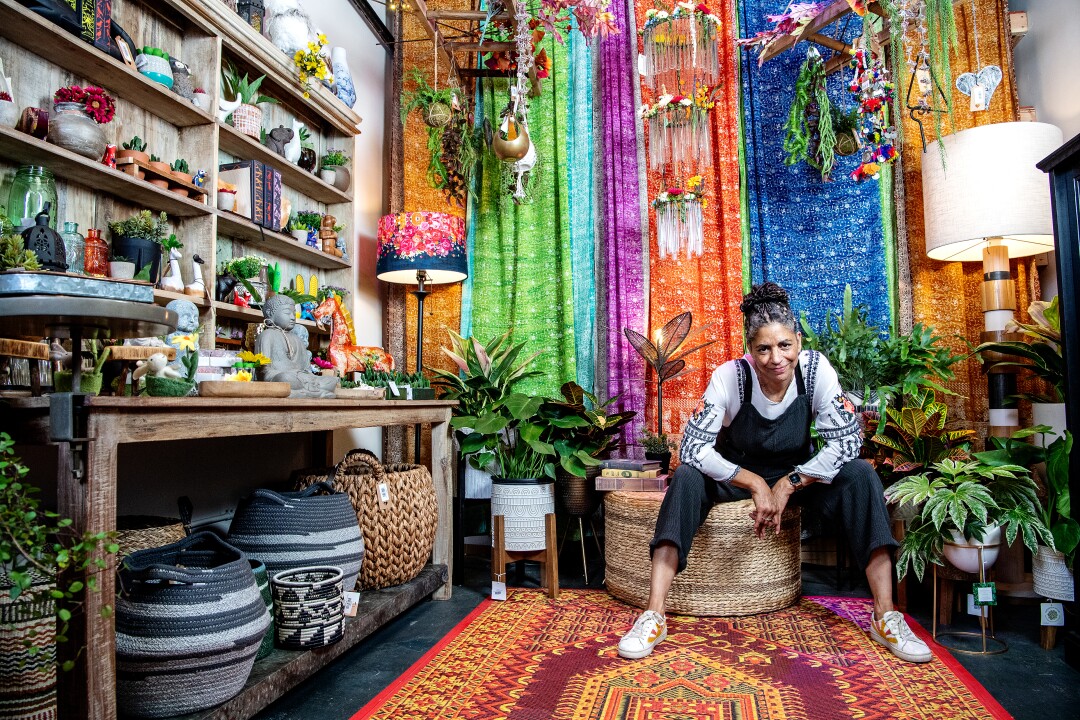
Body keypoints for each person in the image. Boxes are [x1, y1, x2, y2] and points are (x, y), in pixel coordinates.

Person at [617, 282, 930, 664]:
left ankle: (885, 615)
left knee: (861, 474)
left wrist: (790, 482)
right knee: (684, 477)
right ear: (750, 349)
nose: (776, 358)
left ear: (797, 341)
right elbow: (693, 448)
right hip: (736, 474)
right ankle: (654, 615)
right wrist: (753, 482)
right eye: (763, 348)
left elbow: (848, 441)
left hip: (798, 475)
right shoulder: (730, 377)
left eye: (784, 345)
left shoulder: (815, 370)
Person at [254, 293, 339, 398]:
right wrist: (286, 375)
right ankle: (313, 393)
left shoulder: (297, 339)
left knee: (330, 380)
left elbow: (307, 369)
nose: (292, 317)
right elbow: (263, 369)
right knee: (285, 379)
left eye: (294, 313)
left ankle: (302, 393)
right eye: (287, 313)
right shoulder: (267, 335)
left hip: (300, 379)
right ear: (270, 313)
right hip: (279, 378)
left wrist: (308, 378)